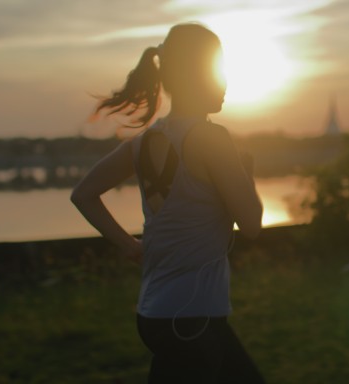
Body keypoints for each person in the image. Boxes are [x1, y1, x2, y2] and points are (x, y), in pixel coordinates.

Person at [70, 23, 265, 383]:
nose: (224, 83)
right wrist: (246, 172)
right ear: (197, 77)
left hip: (158, 314)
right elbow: (251, 224)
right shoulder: (211, 138)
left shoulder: (144, 141)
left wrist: (128, 245)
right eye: (217, 72)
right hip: (191, 320)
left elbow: (83, 194)